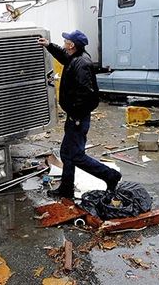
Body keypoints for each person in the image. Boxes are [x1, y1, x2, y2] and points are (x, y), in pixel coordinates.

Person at [38, 30, 121, 198]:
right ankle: (66, 189)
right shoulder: (74, 58)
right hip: (74, 116)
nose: (64, 43)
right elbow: (62, 55)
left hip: (78, 117)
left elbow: (88, 94)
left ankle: (110, 175)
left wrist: (76, 114)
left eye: (66, 41)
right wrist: (48, 45)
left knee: (76, 155)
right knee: (67, 153)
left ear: (72, 45)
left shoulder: (81, 63)